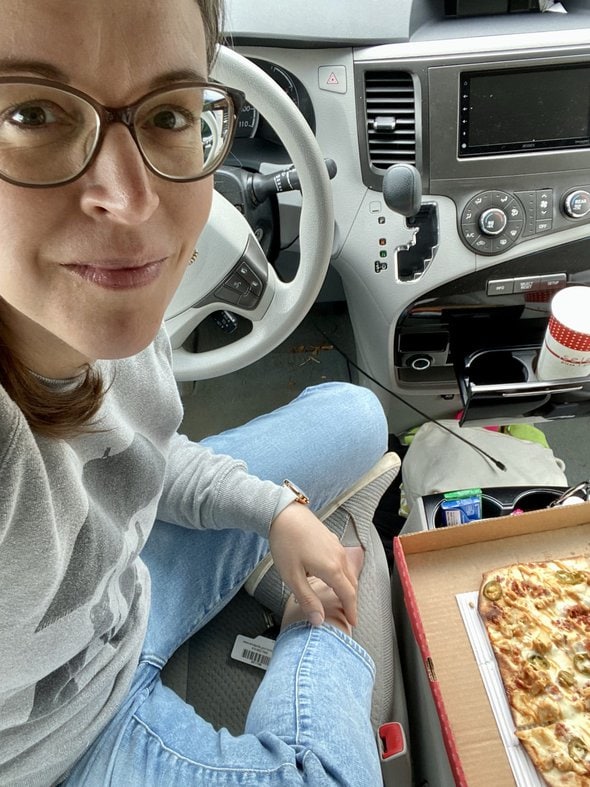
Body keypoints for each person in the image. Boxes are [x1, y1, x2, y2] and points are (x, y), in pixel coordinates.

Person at [0, 0, 397, 784]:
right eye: (33, 112)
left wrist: (272, 510)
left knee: (359, 414)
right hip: (59, 741)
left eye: (169, 114)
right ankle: (318, 628)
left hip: (126, 583)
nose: (133, 198)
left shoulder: (100, 300)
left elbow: (138, 454)